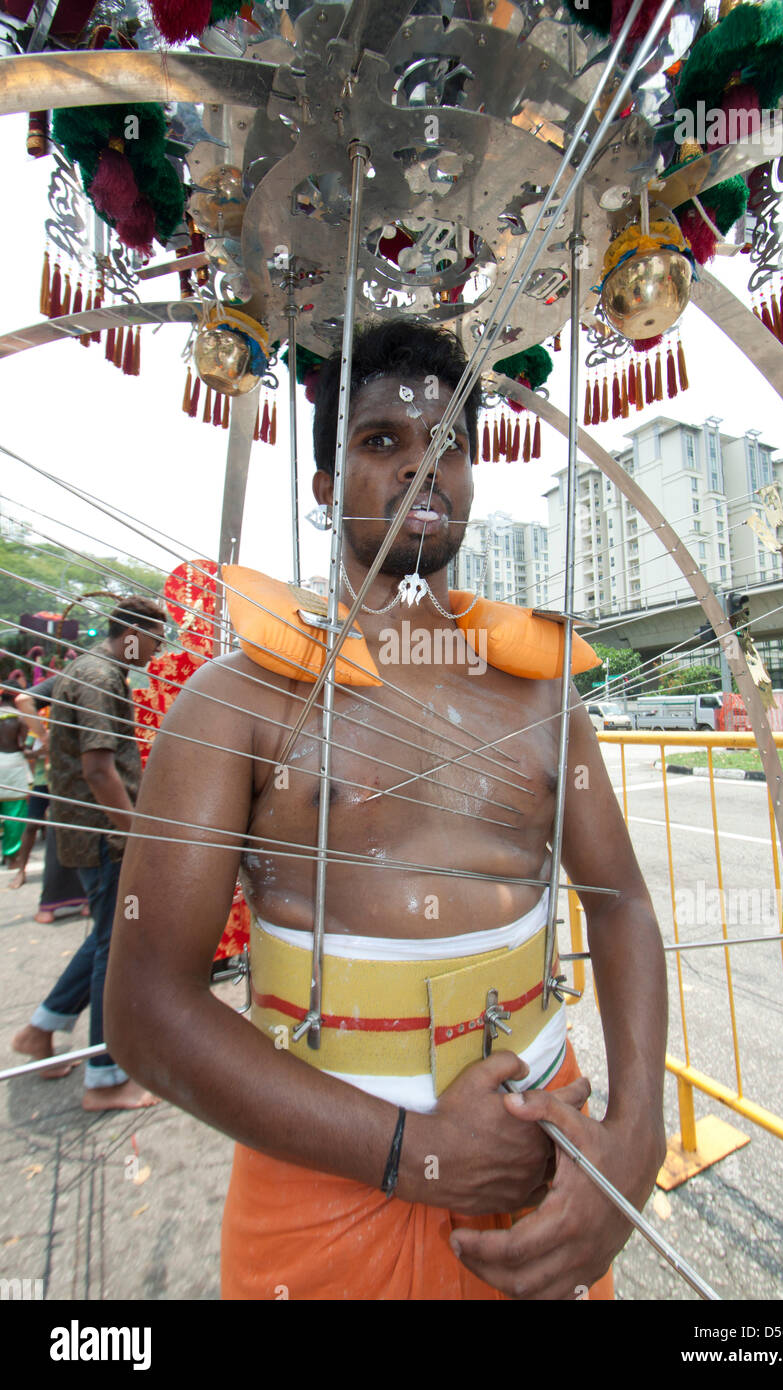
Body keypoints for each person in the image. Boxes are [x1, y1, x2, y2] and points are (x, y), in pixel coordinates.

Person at [106, 322, 667, 1299]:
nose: (421, 468)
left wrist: (636, 1135)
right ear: (324, 486)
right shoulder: (236, 701)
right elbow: (147, 1006)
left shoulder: (543, 691)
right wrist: (419, 1153)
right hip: (325, 1202)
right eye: (380, 443)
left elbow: (618, 904)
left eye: (446, 443)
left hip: (545, 1182)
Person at [12, 597, 166, 1103]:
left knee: (105, 935)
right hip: (104, 835)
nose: (159, 648)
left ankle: (41, 1028)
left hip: (91, 831)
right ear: (132, 634)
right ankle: (105, 1077)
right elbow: (100, 770)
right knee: (112, 947)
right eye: (156, 638)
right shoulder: (100, 678)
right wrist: (136, 832)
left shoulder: (93, 669)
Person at [10, 676, 89, 919]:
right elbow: (23, 699)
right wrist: (44, 738)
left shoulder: (65, 678)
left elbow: (24, 700)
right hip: (85, 765)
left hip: (61, 768)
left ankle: (53, 904)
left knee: (60, 829)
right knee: (86, 831)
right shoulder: (90, 677)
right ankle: (87, 900)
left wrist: (46, 737)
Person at [0, 685, 30, 865]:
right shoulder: (20, 718)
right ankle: (11, 855)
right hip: (14, 764)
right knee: (16, 812)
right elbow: (23, 743)